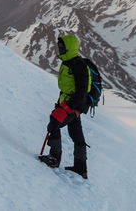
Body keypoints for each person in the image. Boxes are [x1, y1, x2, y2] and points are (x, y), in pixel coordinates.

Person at [38, 34, 91, 179]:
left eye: (62, 47)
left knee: (54, 124)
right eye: (59, 47)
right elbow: (68, 88)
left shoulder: (77, 64)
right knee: (76, 134)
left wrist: (69, 107)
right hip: (69, 102)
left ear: (69, 48)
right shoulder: (68, 62)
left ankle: (54, 159)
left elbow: (81, 90)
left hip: (72, 104)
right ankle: (81, 168)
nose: (60, 49)